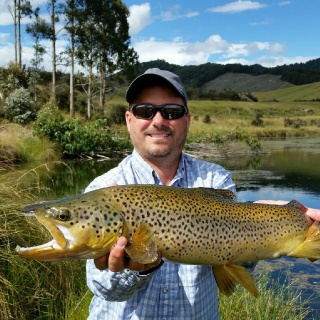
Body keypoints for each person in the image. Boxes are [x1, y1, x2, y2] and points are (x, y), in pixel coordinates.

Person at [85, 68, 320, 320]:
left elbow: (234, 253)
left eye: (171, 112)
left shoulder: (215, 178)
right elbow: (104, 289)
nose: (158, 120)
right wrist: (138, 268)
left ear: (187, 121)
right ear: (129, 119)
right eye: (145, 110)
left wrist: (274, 220)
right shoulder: (104, 189)